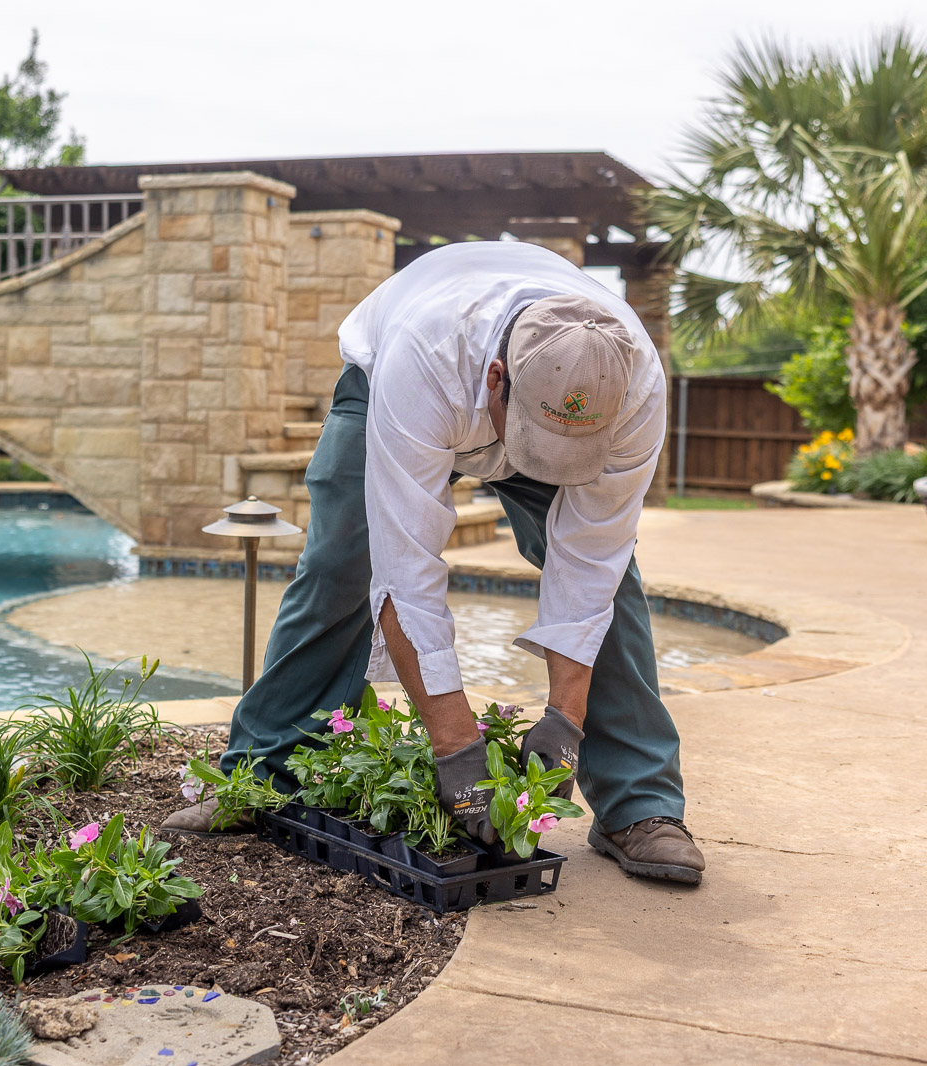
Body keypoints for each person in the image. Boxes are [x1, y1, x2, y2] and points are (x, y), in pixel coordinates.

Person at [162, 241, 705, 885]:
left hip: (542, 406)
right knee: (344, 561)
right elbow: (404, 572)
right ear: (497, 380)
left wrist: (565, 718)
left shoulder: (635, 385)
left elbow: (592, 563)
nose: (544, 467)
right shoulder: (426, 357)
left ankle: (638, 805)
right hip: (399, 382)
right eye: (539, 443)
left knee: (619, 586)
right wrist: (455, 745)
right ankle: (263, 773)